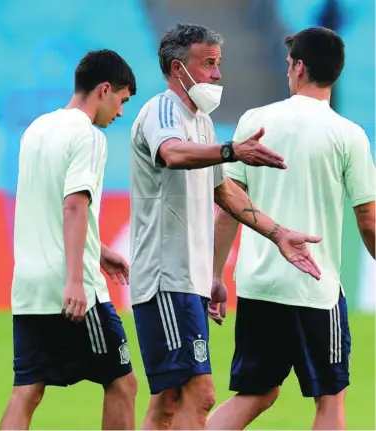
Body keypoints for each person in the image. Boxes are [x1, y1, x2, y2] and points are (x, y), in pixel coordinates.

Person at [129, 23, 324, 430]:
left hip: (189, 280)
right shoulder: (164, 110)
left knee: (167, 402)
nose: (218, 75)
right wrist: (232, 149)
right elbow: (171, 153)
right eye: (210, 64)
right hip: (167, 280)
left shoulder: (200, 123)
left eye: (220, 65)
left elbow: (226, 191)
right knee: (199, 395)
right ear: (179, 68)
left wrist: (277, 233)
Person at [206, 27, 375, 431]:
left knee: (255, 394)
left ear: (299, 67)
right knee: (330, 400)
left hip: (258, 285)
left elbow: (228, 206)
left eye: (288, 65)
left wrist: (213, 276)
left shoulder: (255, 121)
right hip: (314, 288)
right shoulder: (348, 135)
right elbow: (368, 219)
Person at [0, 49, 138, 430]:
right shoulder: (89, 137)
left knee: (26, 391)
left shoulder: (37, 129)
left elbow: (43, 204)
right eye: (121, 100)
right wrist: (77, 278)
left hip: (28, 284)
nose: (120, 112)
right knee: (123, 384)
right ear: (105, 89)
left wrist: (100, 250)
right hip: (71, 286)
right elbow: (73, 206)